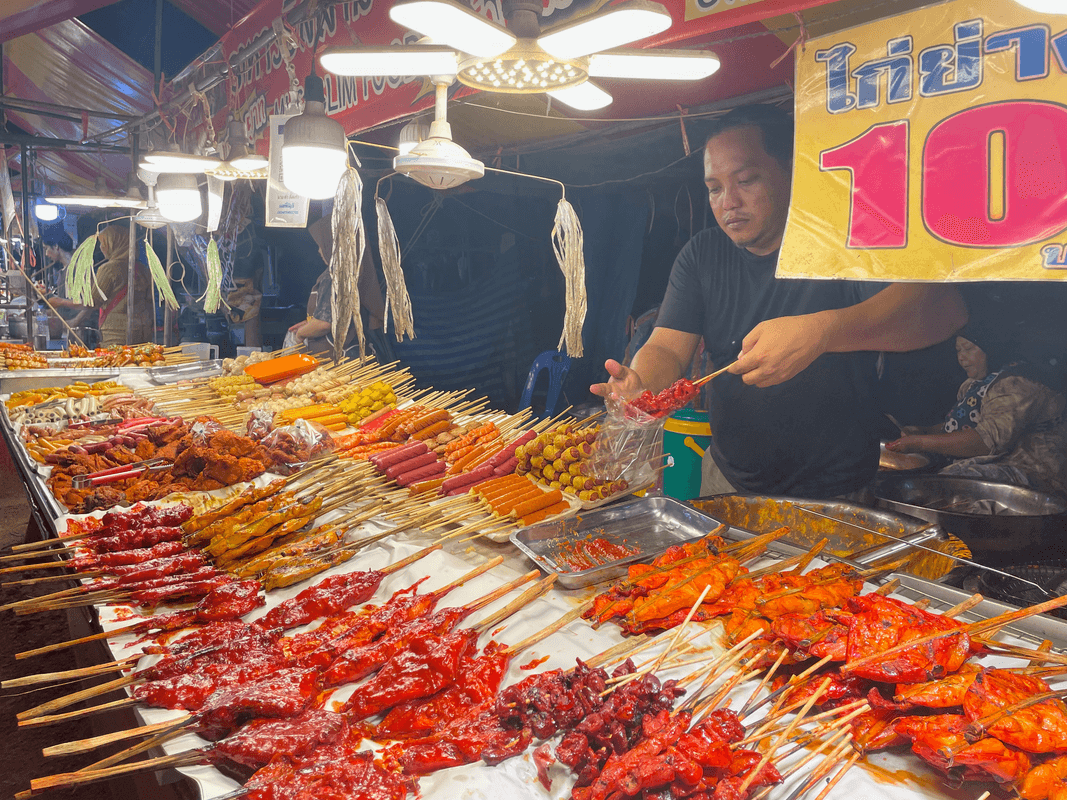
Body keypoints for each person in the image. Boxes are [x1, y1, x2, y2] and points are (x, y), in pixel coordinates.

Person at [591, 104, 968, 498]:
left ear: (792, 172)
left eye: (747, 180)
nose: (729, 202)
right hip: (727, 478)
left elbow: (942, 307)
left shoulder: (841, 240)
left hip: (837, 489)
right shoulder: (702, 254)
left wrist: (822, 331)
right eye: (715, 188)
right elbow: (667, 345)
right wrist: (643, 385)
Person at [886, 328, 1067, 499]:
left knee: (951, 482)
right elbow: (966, 425)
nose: (962, 358)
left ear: (991, 347)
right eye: (958, 350)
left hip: (1035, 472)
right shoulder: (978, 382)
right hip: (999, 461)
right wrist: (924, 431)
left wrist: (920, 442)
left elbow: (984, 442)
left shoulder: (1017, 385)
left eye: (969, 349)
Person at [83, 224, 153, 347]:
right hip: (142, 334)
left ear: (115, 244)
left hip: (115, 337)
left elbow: (92, 302)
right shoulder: (143, 269)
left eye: (104, 243)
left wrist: (61, 302)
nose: (102, 247)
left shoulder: (108, 269)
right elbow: (149, 301)